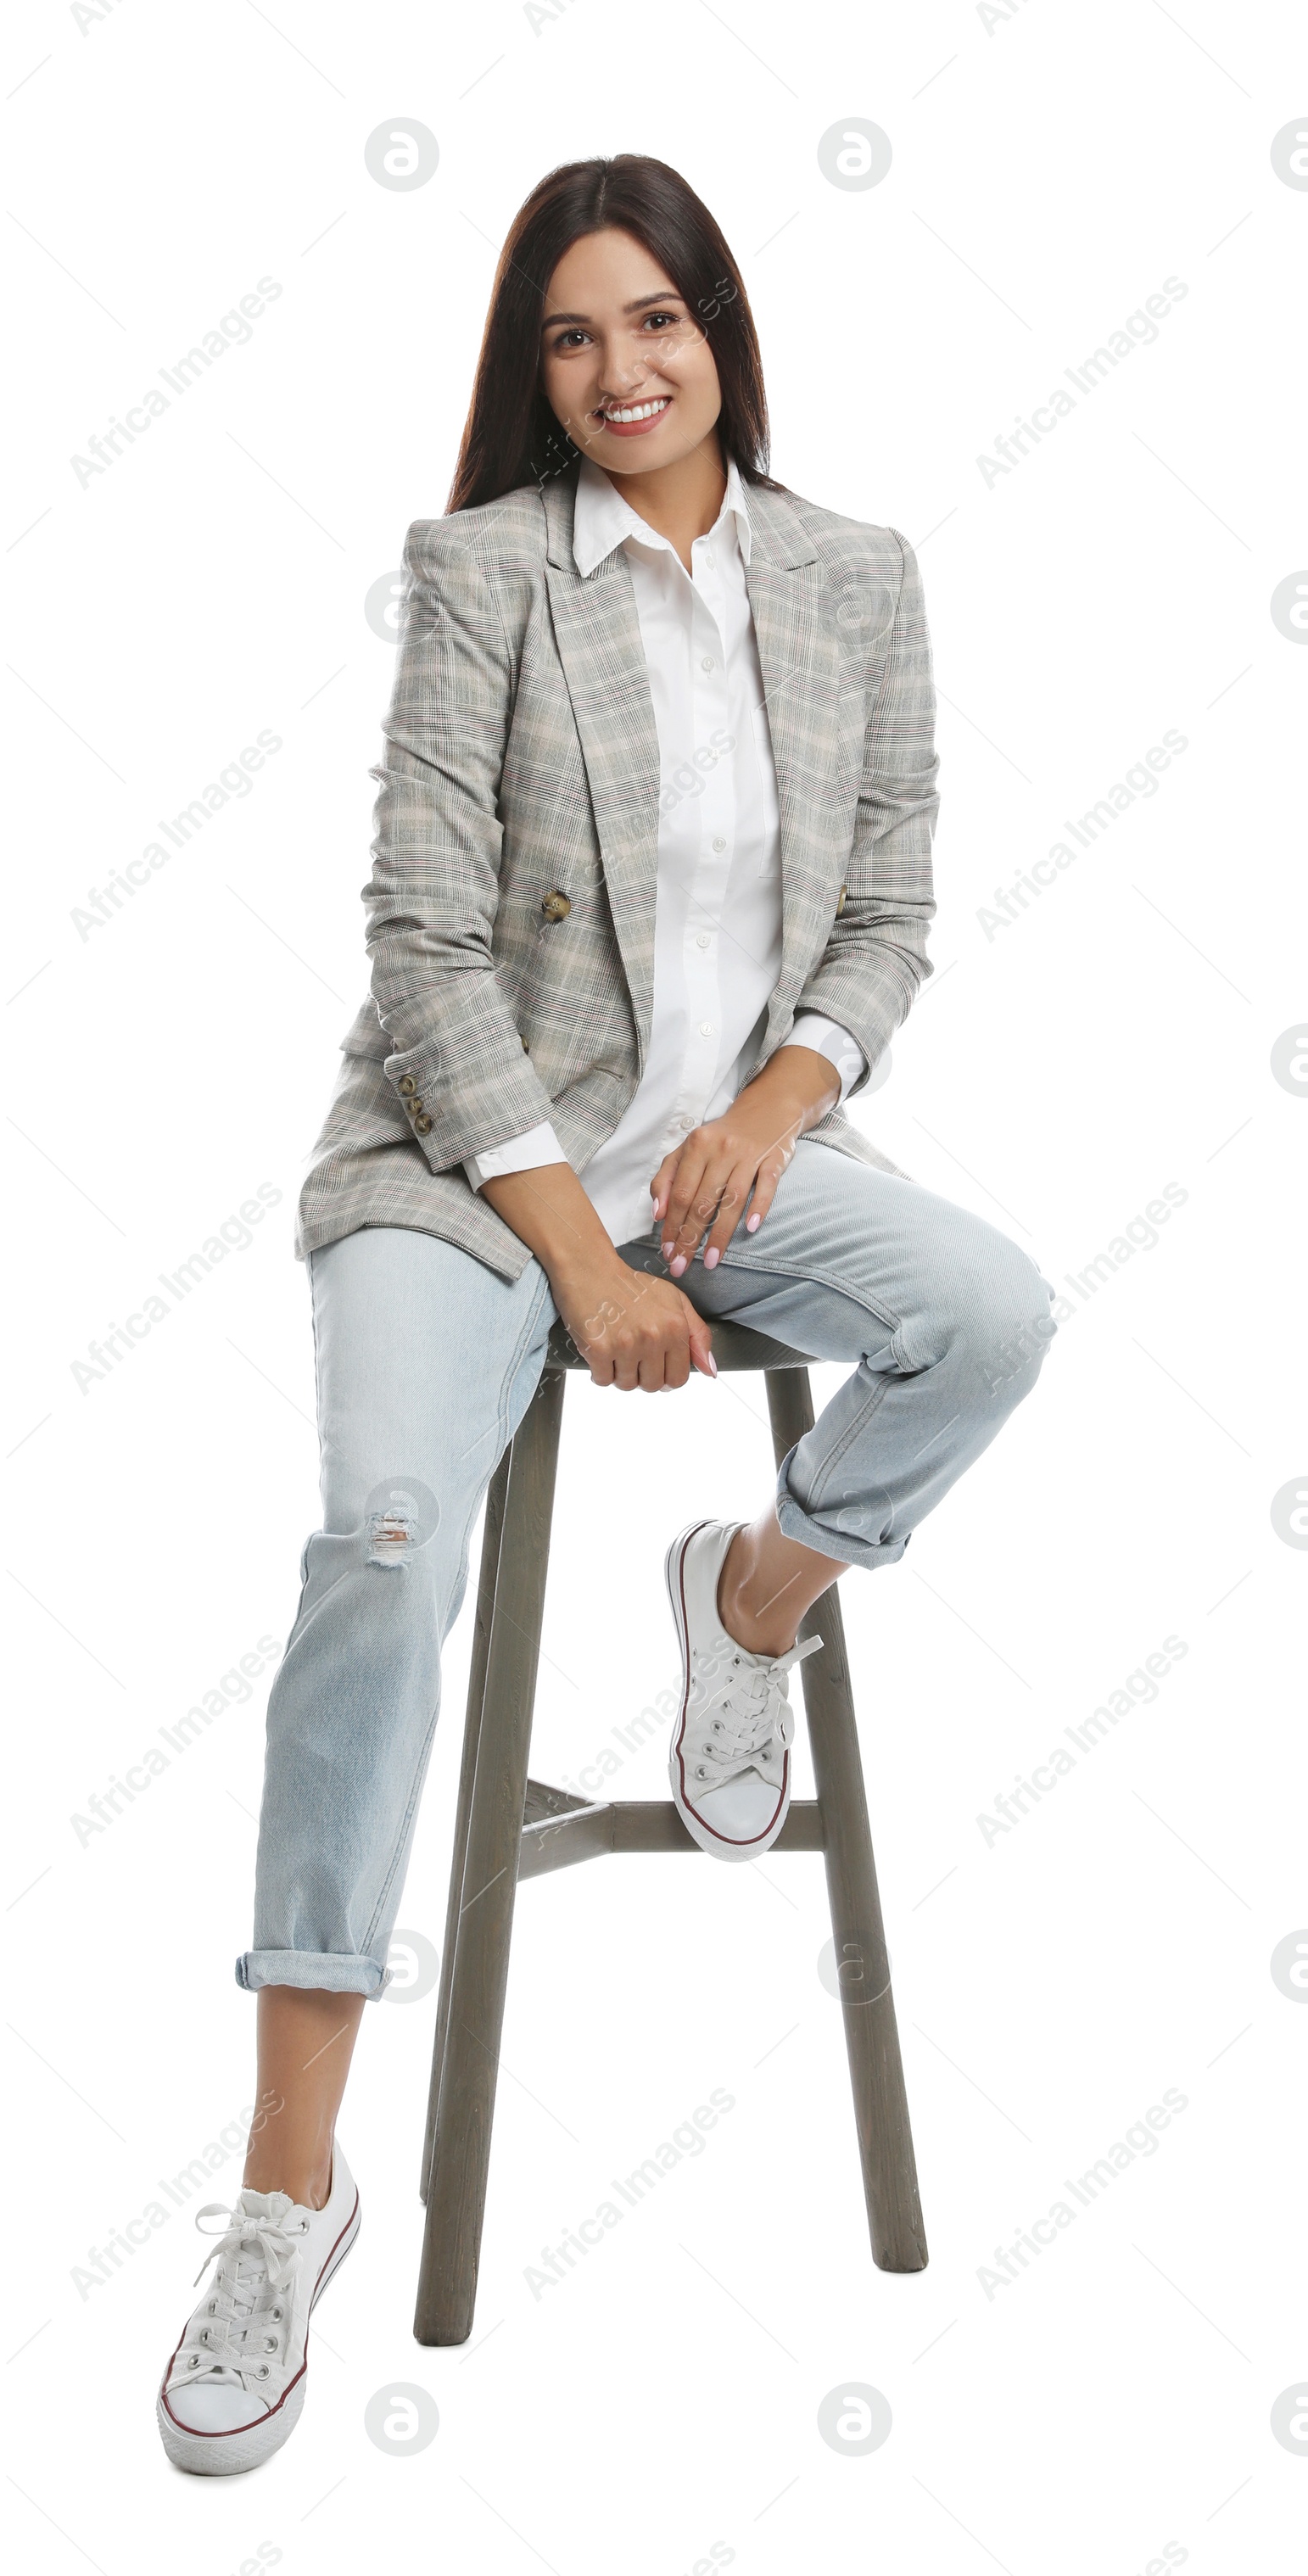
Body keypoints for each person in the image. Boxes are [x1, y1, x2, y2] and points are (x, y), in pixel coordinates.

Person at [156, 152, 1055, 2474]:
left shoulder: (856, 578)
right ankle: (282, 2194)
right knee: (380, 1540)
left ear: (724, 330)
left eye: (657, 320)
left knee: (993, 1313)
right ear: (531, 368)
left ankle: (749, 1602)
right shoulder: (481, 578)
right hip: (473, 1183)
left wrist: (773, 1107)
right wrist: (576, 1249)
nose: (621, 370)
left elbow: (889, 909)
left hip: (736, 1170)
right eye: (572, 336)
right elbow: (425, 957)